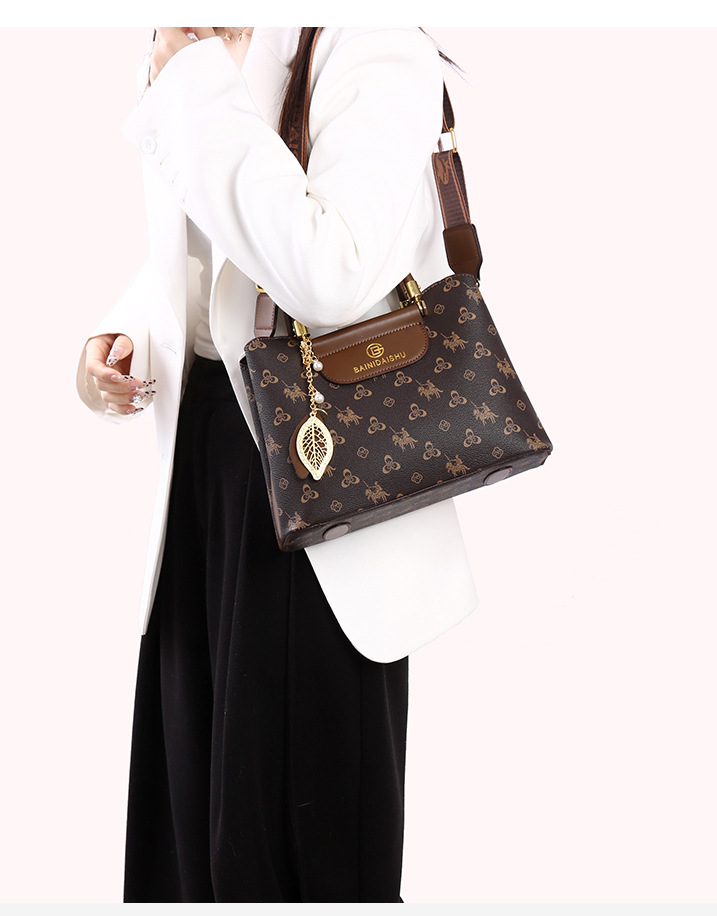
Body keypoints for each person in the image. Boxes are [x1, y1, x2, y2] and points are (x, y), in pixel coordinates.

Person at [76, 27, 477, 903]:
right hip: (203, 464)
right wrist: (124, 332)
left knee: (294, 850)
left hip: (322, 467)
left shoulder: (373, 41)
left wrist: (195, 85)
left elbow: (329, 273)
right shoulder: (215, 34)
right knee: (190, 839)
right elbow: (212, 260)